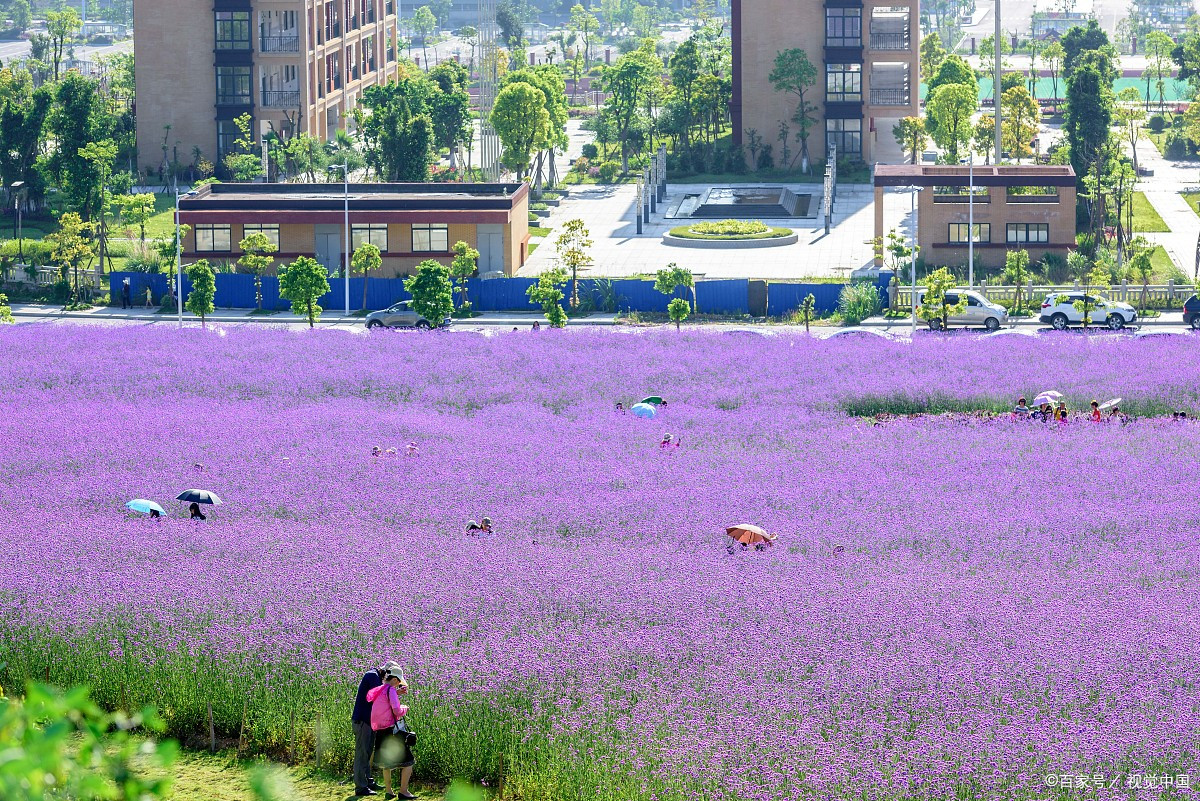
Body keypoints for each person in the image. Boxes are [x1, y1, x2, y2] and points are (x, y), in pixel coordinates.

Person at [367, 665, 416, 800]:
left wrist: (396, 693)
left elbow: (384, 703)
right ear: (395, 679)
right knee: (409, 762)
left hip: (380, 732)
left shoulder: (380, 690)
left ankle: (389, 791)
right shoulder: (391, 691)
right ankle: (403, 791)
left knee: (386, 763)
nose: (399, 684)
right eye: (399, 681)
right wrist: (405, 708)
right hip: (391, 732)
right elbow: (397, 711)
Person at [352, 660, 400, 796]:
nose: (387, 679)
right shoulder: (372, 676)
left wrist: (396, 693)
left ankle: (368, 782)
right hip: (362, 721)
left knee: (367, 753)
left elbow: (382, 696)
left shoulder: (376, 676)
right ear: (385, 672)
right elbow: (382, 696)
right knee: (362, 754)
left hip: (369, 722)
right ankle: (360, 787)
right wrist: (396, 693)